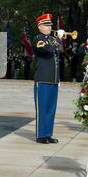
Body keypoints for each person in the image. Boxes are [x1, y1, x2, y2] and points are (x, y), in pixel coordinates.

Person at [32, 13, 62, 144]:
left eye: (50, 25)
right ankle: (41, 135)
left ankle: (48, 134)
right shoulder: (38, 39)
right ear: (40, 27)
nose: (50, 27)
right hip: (43, 79)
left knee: (51, 108)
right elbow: (48, 49)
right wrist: (59, 39)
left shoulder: (51, 39)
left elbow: (58, 50)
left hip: (53, 79)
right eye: (46, 25)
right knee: (42, 108)